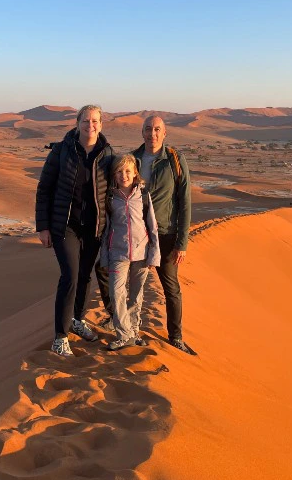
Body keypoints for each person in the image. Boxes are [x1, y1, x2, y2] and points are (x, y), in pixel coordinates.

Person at [35, 105, 114, 356]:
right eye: (86, 120)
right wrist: (43, 227)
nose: (90, 125)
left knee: (84, 276)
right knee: (69, 275)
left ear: (101, 125)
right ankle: (60, 335)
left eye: (95, 121)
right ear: (77, 122)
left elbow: (117, 188)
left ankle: (77, 319)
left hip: (94, 228)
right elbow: (44, 189)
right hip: (65, 225)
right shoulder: (62, 151)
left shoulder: (107, 154)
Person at [133, 116, 196, 354]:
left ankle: (176, 336)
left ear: (165, 133)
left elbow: (185, 203)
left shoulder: (175, 161)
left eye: (157, 129)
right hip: (138, 233)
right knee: (133, 285)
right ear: (142, 133)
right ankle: (128, 329)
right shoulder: (132, 159)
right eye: (148, 129)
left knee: (170, 287)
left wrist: (182, 243)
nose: (152, 134)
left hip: (166, 234)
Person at [99, 154, 160, 350]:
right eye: (119, 171)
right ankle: (123, 334)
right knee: (117, 294)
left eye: (127, 171)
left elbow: (152, 227)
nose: (123, 175)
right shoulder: (110, 198)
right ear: (114, 175)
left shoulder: (143, 196)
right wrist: (105, 258)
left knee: (136, 296)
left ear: (135, 173)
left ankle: (133, 332)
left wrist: (154, 254)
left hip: (141, 254)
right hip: (117, 255)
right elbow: (106, 230)